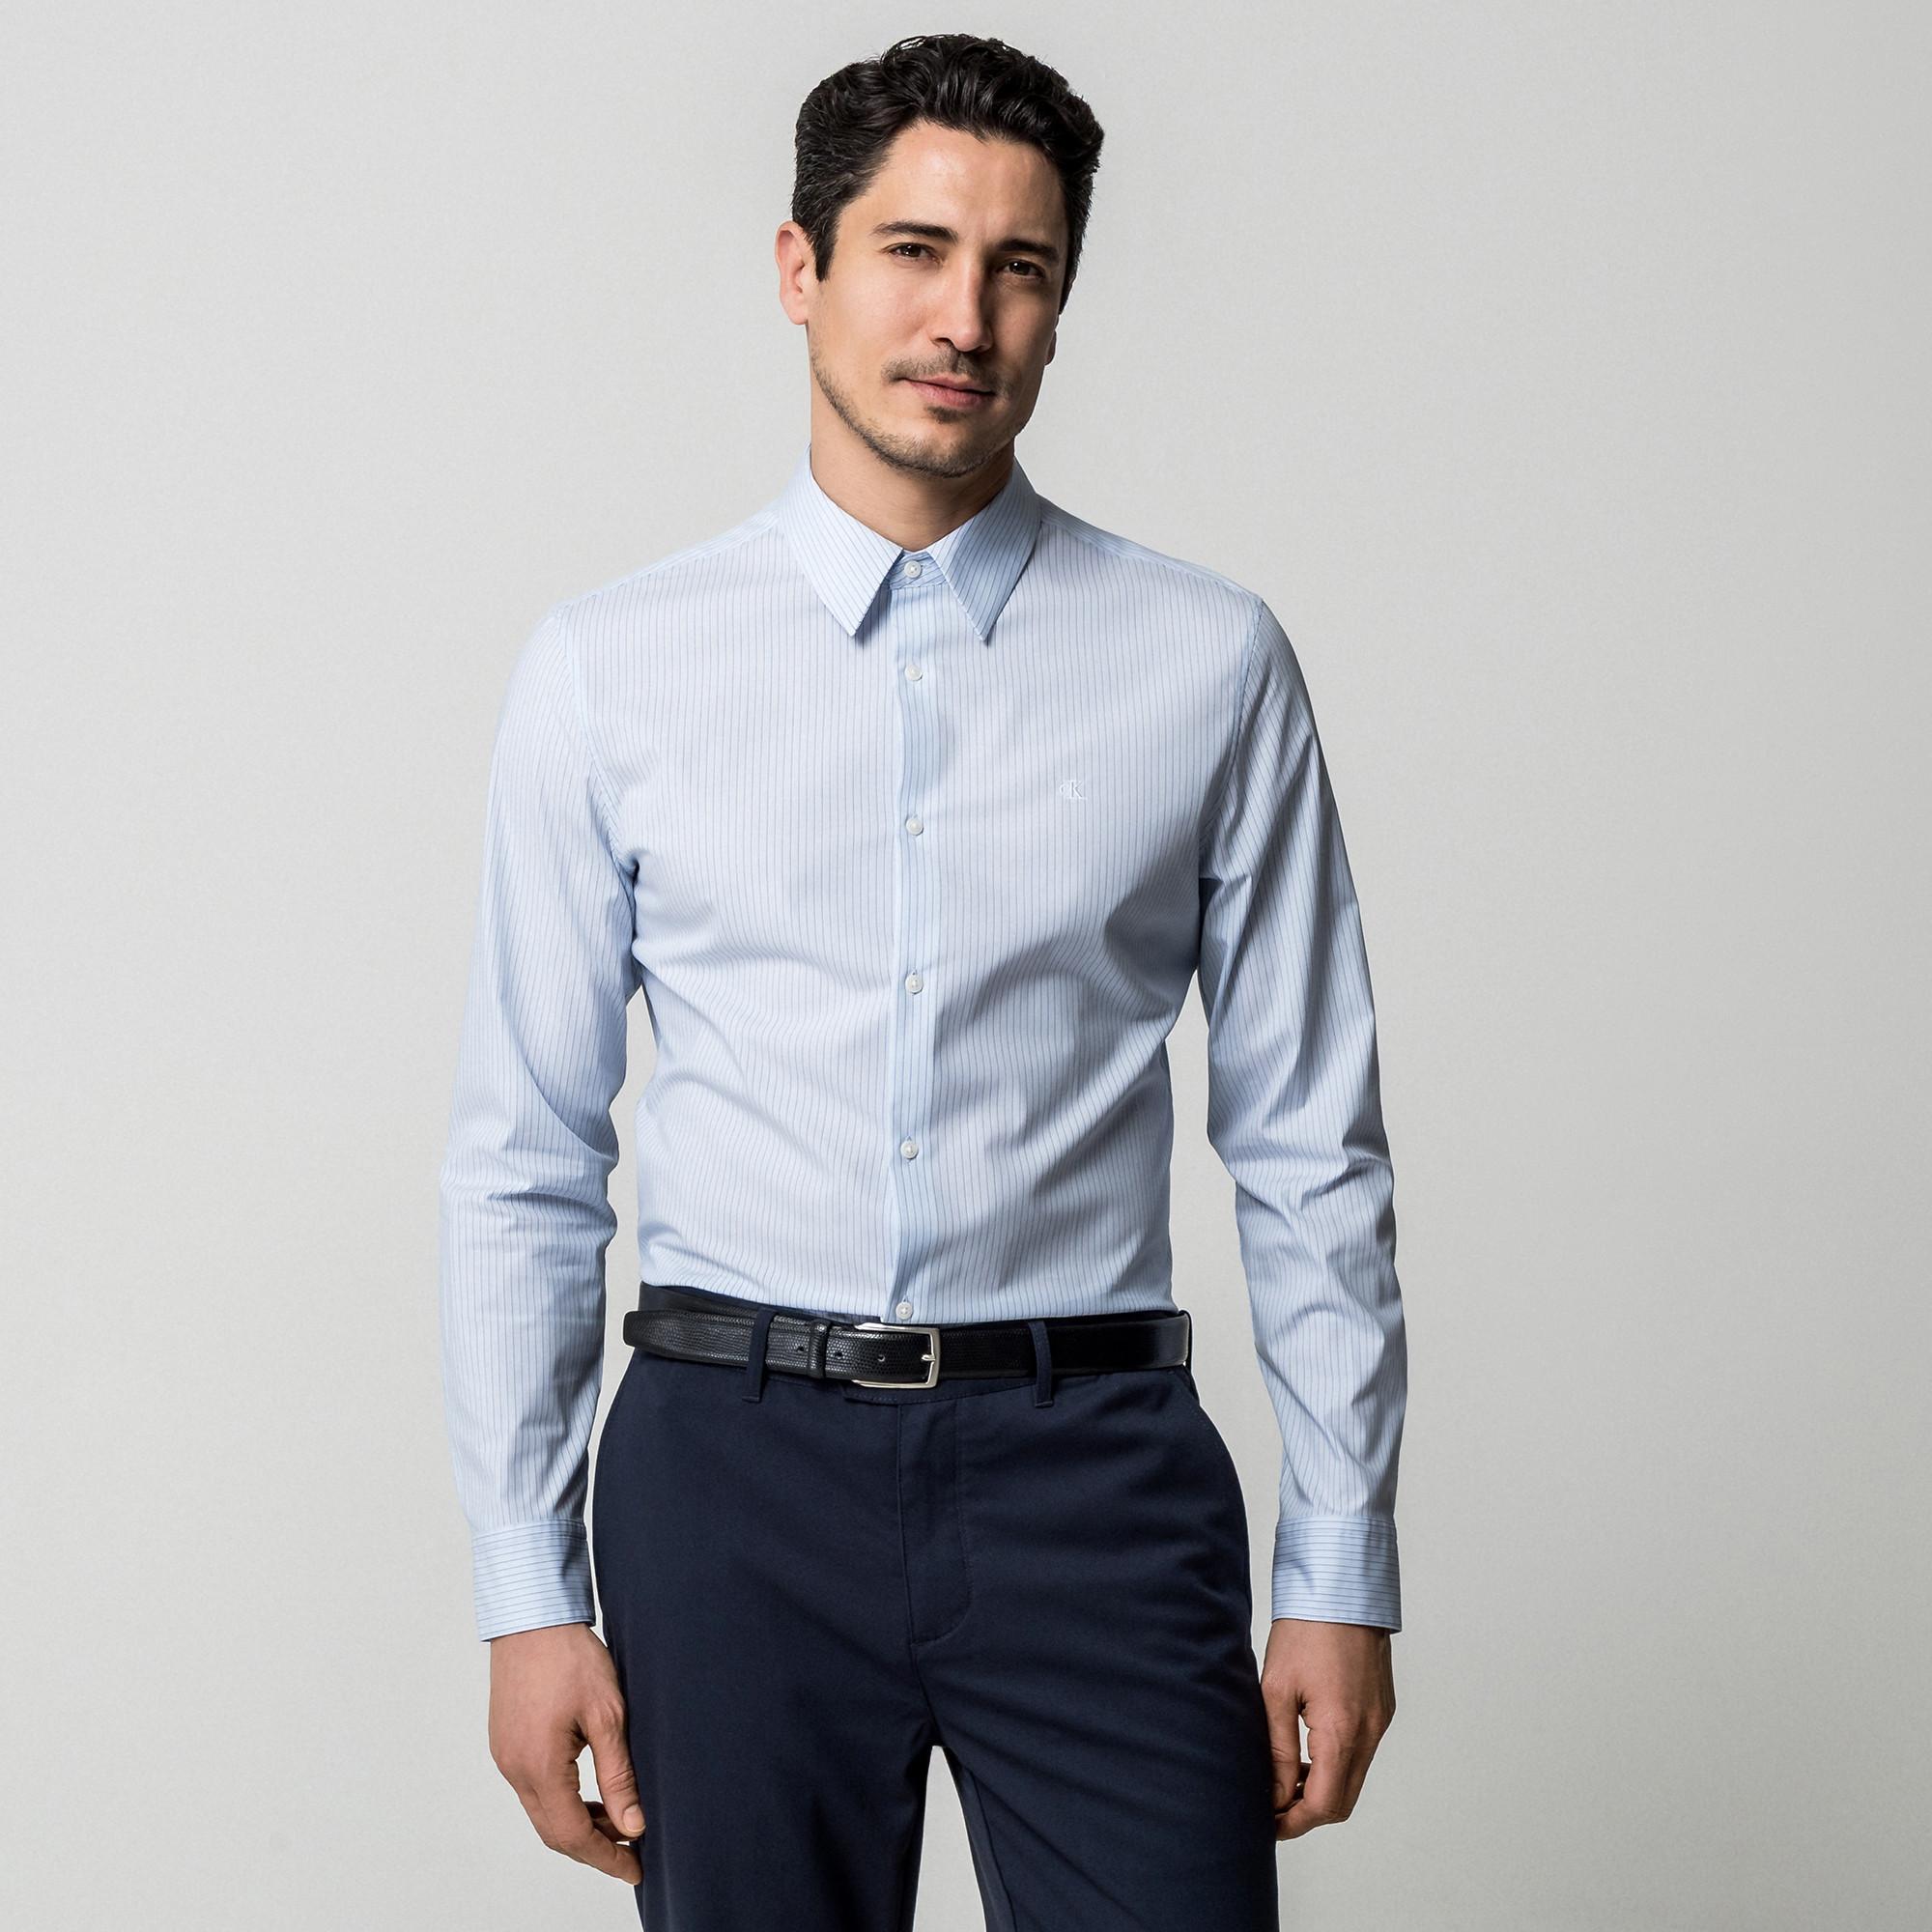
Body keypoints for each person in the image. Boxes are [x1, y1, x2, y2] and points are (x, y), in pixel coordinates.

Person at [438, 31, 1406, 1929]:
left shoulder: (1207, 663)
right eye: (912, 250)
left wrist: (1340, 1564)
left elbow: (1309, 1142)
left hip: (1094, 1472)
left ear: (1062, 302)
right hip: (729, 1477)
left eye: (1020, 266)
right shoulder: (610, 671)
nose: (964, 316)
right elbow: (525, 1158)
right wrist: (526, 1592)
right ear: (799, 268)